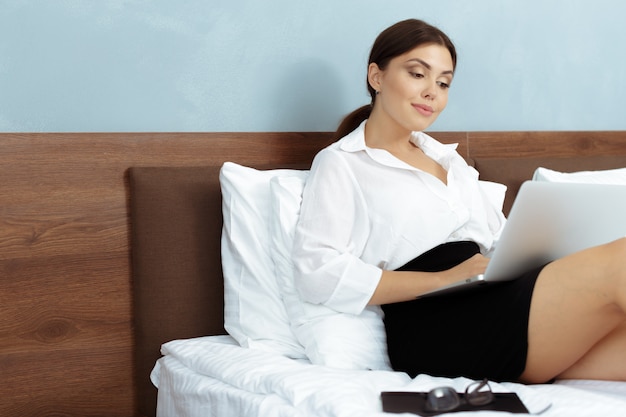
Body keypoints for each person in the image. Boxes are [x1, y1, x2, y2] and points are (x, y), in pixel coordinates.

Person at [291, 18, 626, 384]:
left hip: (493, 298)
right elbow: (318, 273)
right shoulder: (343, 162)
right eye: (418, 74)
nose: (432, 92)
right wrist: (443, 279)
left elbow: (498, 242)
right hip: (434, 324)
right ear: (377, 77)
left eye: (443, 82)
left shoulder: (451, 162)